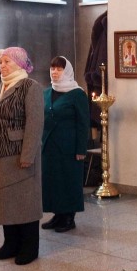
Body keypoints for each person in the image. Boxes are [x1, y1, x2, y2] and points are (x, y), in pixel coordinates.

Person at [0, 47, 44, 266]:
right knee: (5, 201)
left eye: (7, 61)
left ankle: (29, 247)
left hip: (19, 153)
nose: (2, 65)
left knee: (24, 201)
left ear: (19, 63)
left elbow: (35, 124)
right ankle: (10, 243)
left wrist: (28, 154)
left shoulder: (30, 87)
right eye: (1, 62)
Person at [40, 56, 89, 233]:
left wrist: (81, 149)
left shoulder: (77, 94)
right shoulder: (47, 93)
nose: (55, 72)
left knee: (68, 180)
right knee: (53, 181)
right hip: (49, 146)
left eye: (59, 69)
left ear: (66, 71)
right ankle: (58, 215)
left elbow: (83, 123)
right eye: (52, 68)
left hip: (69, 146)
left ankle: (69, 217)